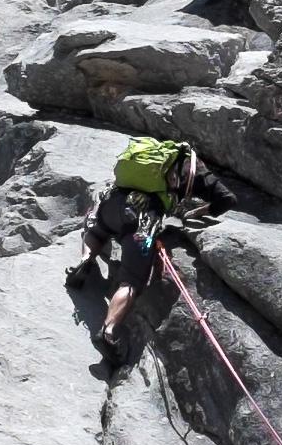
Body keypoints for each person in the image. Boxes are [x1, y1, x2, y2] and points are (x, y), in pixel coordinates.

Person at [65, 140, 235, 364]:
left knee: (95, 230)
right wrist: (198, 211)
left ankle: (86, 259)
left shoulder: (153, 154)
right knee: (131, 282)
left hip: (113, 203)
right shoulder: (196, 169)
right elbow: (227, 199)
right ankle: (108, 332)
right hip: (142, 218)